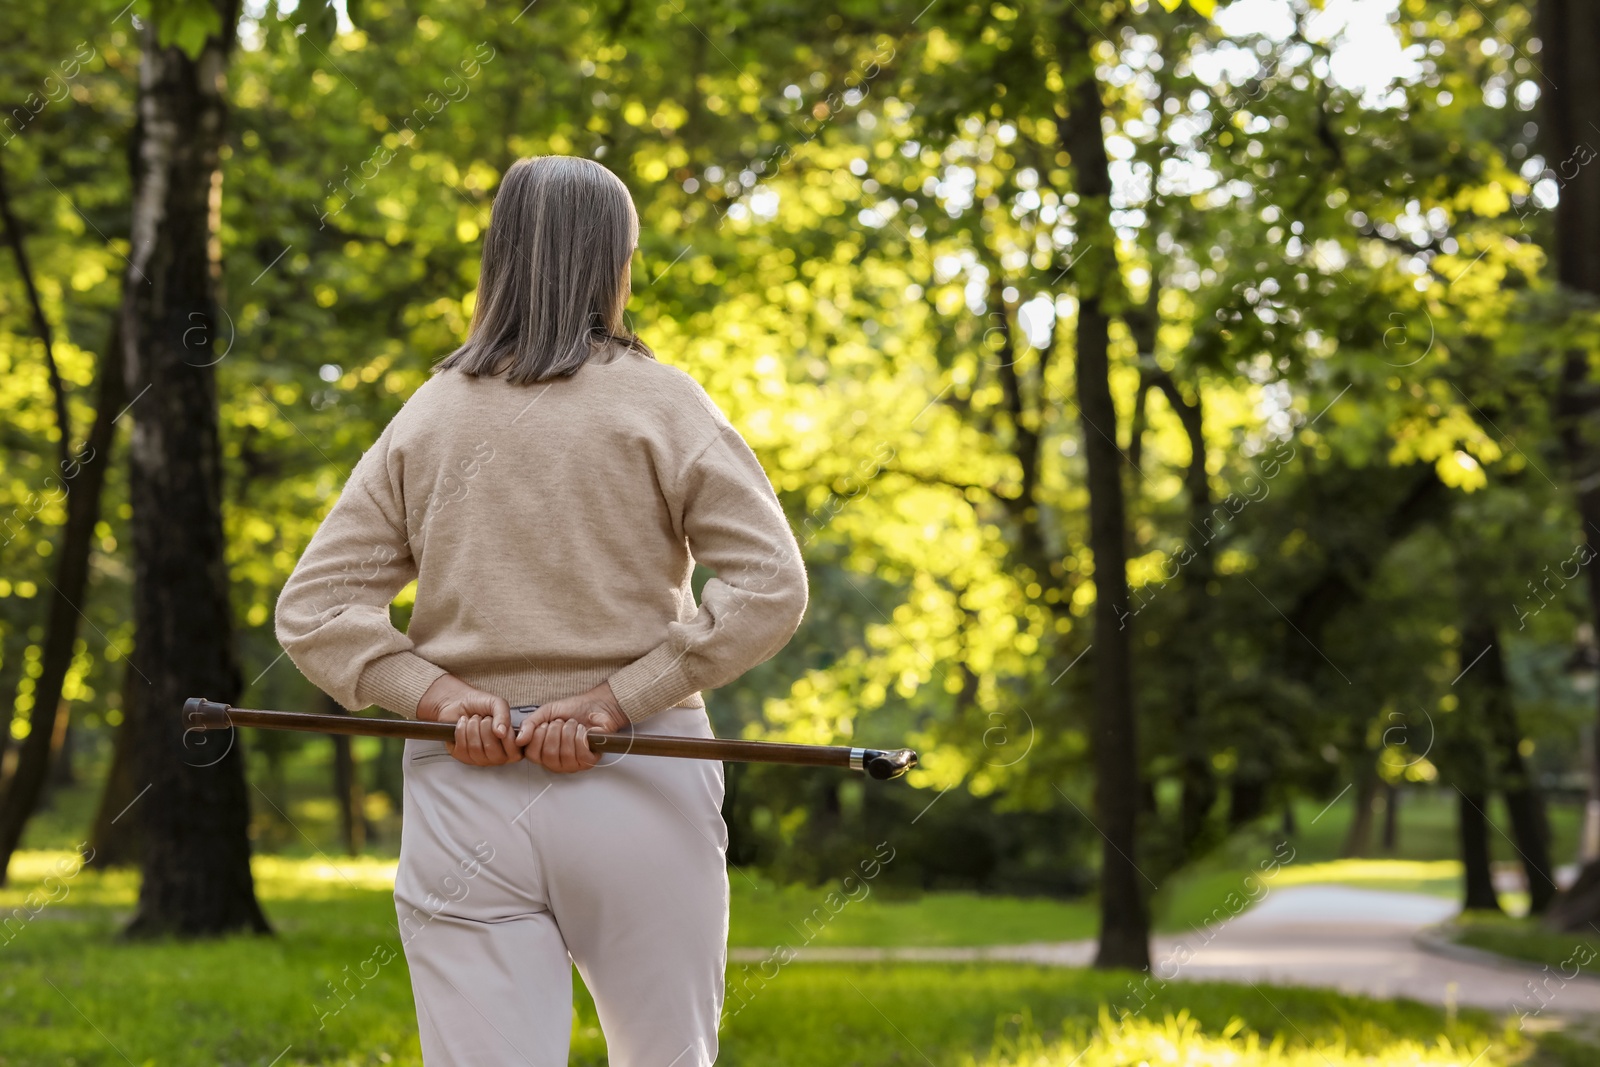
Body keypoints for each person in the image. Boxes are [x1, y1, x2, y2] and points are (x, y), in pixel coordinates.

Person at [275, 155, 809, 1066]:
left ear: (499, 258)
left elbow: (316, 609)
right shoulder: (666, 404)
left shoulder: (429, 415)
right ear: (617, 263)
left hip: (463, 792)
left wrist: (442, 700)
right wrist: (619, 700)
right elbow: (772, 587)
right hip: (641, 777)